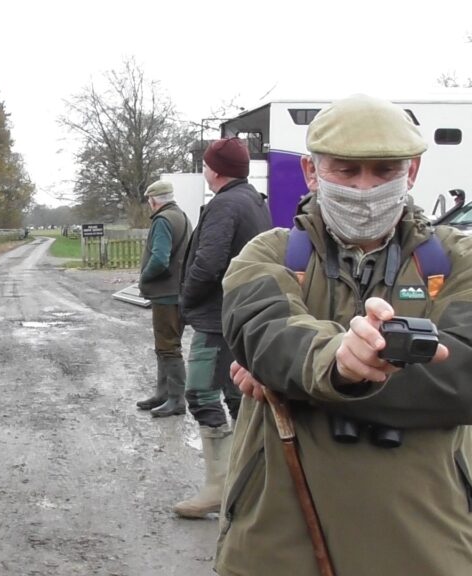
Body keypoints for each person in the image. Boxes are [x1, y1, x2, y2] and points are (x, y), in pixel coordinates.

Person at [218, 94, 472, 574]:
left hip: (427, 541)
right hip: (279, 543)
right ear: (312, 172)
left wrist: (307, 381)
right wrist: (336, 359)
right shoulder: (266, 255)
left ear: (411, 172)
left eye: (383, 170)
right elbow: (265, 332)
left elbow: (466, 375)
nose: (365, 187)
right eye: (346, 170)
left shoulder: (459, 260)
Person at [174, 137, 271, 518]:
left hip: (218, 320)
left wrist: (186, 300)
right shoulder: (253, 200)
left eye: (205, 164)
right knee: (237, 398)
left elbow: (209, 263)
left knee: (201, 394)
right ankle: (247, 487)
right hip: (241, 316)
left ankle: (221, 486)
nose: (203, 169)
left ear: (214, 169)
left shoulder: (225, 204)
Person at [135, 180, 192, 417]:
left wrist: (143, 279)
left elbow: (159, 259)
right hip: (179, 291)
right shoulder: (181, 216)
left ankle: (176, 399)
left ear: (154, 200)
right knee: (166, 346)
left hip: (166, 294)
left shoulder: (162, 221)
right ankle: (163, 394)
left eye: (150, 201)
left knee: (168, 347)